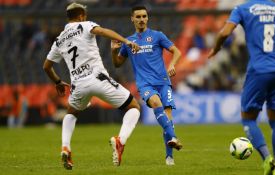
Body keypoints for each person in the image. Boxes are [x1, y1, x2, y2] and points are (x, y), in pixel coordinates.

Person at [43, 2, 141, 169]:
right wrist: (126, 41)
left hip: (78, 84)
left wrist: (58, 82)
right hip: (97, 78)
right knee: (133, 107)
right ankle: (120, 141)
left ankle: (66, 147)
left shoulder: (59, 40)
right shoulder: (85, 25)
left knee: (72, 113)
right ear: (81, 16)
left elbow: (46, 66)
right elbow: (102, 31)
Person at [208, 0, 275, 174]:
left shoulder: (242, 8)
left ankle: (268, 159)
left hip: (259, 70)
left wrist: (216, 48)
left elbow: (225, 32)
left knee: (249, 118)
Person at [111, 5, 183, 166]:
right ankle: (173, 138)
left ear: (147, 18)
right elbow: (117, 64)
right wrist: (114, 51)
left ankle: (169, 157)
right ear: (132, 19)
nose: (142, 19)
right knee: (157, 104)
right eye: (138, 17)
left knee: (168, 119)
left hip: (164, 82)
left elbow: (176, 51)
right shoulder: (129, 42)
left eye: (144, 16)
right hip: (145, 84)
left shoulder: (158, 36)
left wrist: (172, 65)